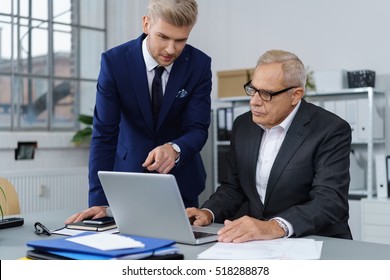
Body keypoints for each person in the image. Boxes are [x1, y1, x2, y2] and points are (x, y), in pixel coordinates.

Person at [66, 0, 211, 223]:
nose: (171, 49)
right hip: (128, 180)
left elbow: (198, 128)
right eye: (163, 37)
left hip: (182, 183)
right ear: (146, 24)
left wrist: (175, 148)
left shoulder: (199, 65)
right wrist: (99, 201)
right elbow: (105, 134)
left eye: (180, 40)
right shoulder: (114, 63)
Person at [187, 49, 352, 243]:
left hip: (316, 240)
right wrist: (208, 212)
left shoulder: (330, 129)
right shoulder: (243, 125)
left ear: (295, 95)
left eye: (266, 93)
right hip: (261, 244)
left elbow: (329, 201)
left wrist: (274, 226)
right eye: (253, 89)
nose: (254, 102)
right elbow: (233, 187)